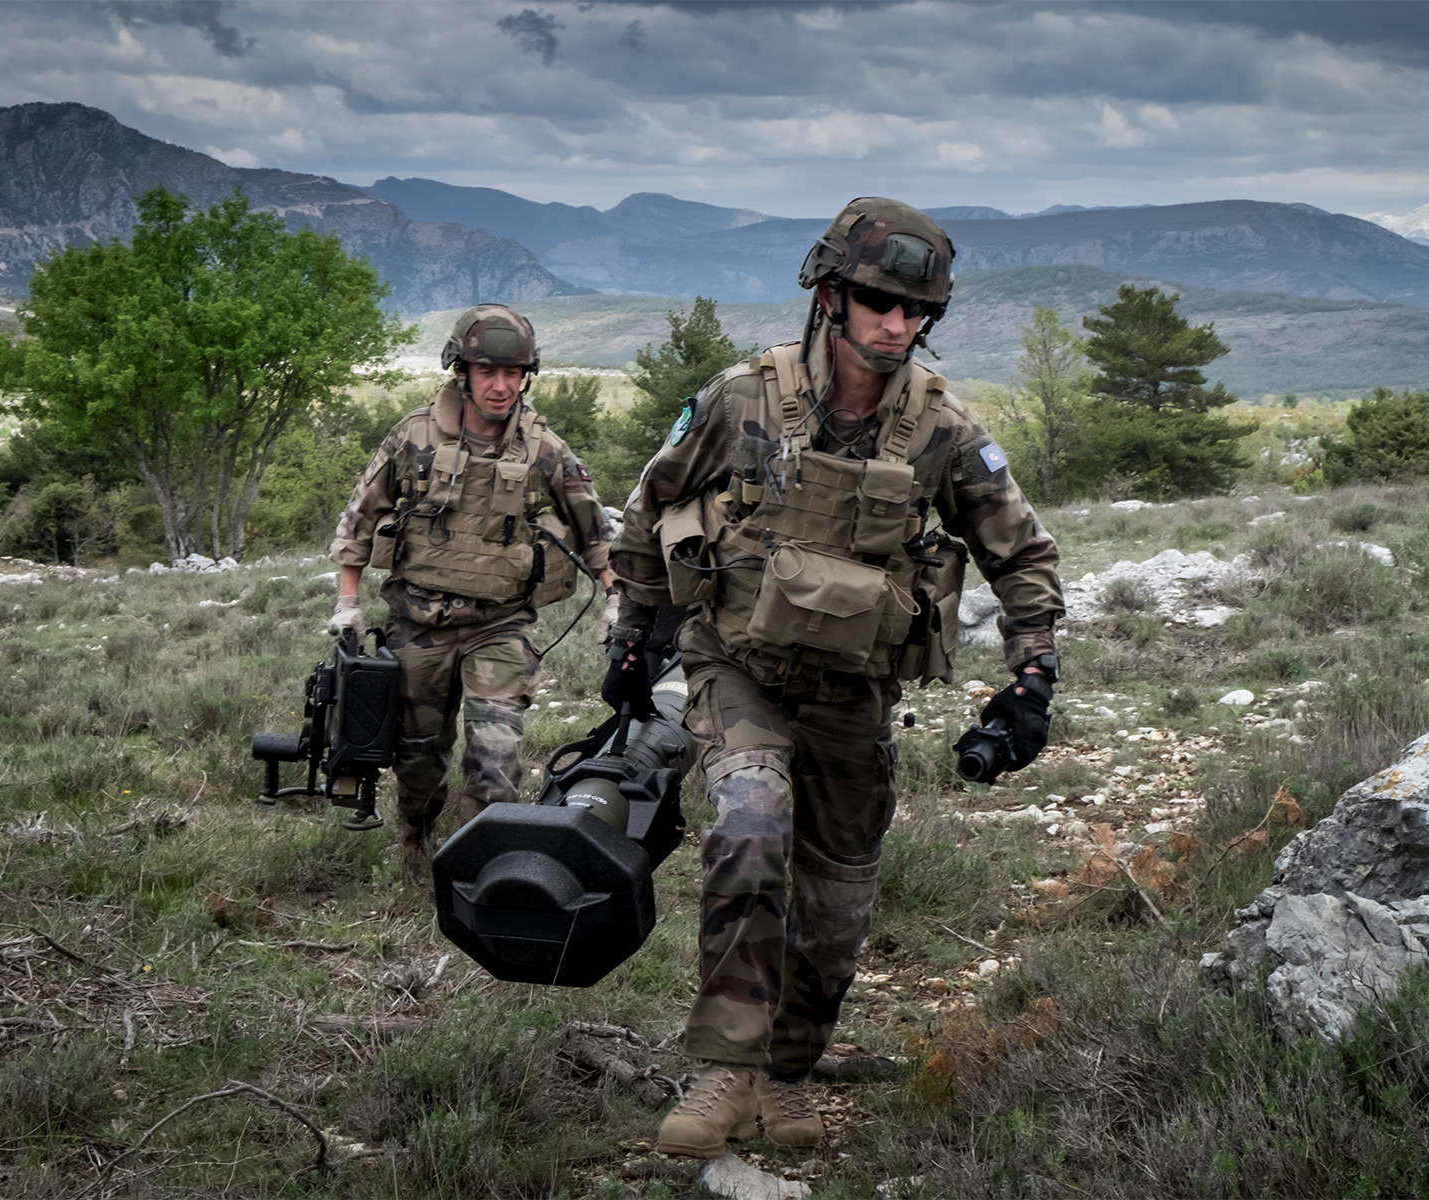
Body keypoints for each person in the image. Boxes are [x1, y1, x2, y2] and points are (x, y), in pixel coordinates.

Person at [602, 198, 1064, 1157]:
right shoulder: (742, 399)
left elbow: (1019, 555)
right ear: (829, 294)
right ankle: (726, 1068)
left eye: (915, 310)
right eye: (876, 301)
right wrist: (634, 635)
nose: (896, 325)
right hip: (738, 668)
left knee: (838, 898)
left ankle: (790, 1070)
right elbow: (649, 508)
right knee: (751, 825)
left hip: (853, 692)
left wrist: (1034, 675)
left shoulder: (941, 429)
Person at [328, 304, 615, 880]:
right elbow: (360, 518)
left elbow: (595, 532)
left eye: (514, 374)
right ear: (462, 370)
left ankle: (475, 871)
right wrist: (348, 601)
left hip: (500, 625)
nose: (502, 385)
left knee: (496, 756)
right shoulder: (414, 435)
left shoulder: (544, 450)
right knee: (419, 757)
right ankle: (415, 839)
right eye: (488, 372)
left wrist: (616, 598)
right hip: (419, 621)